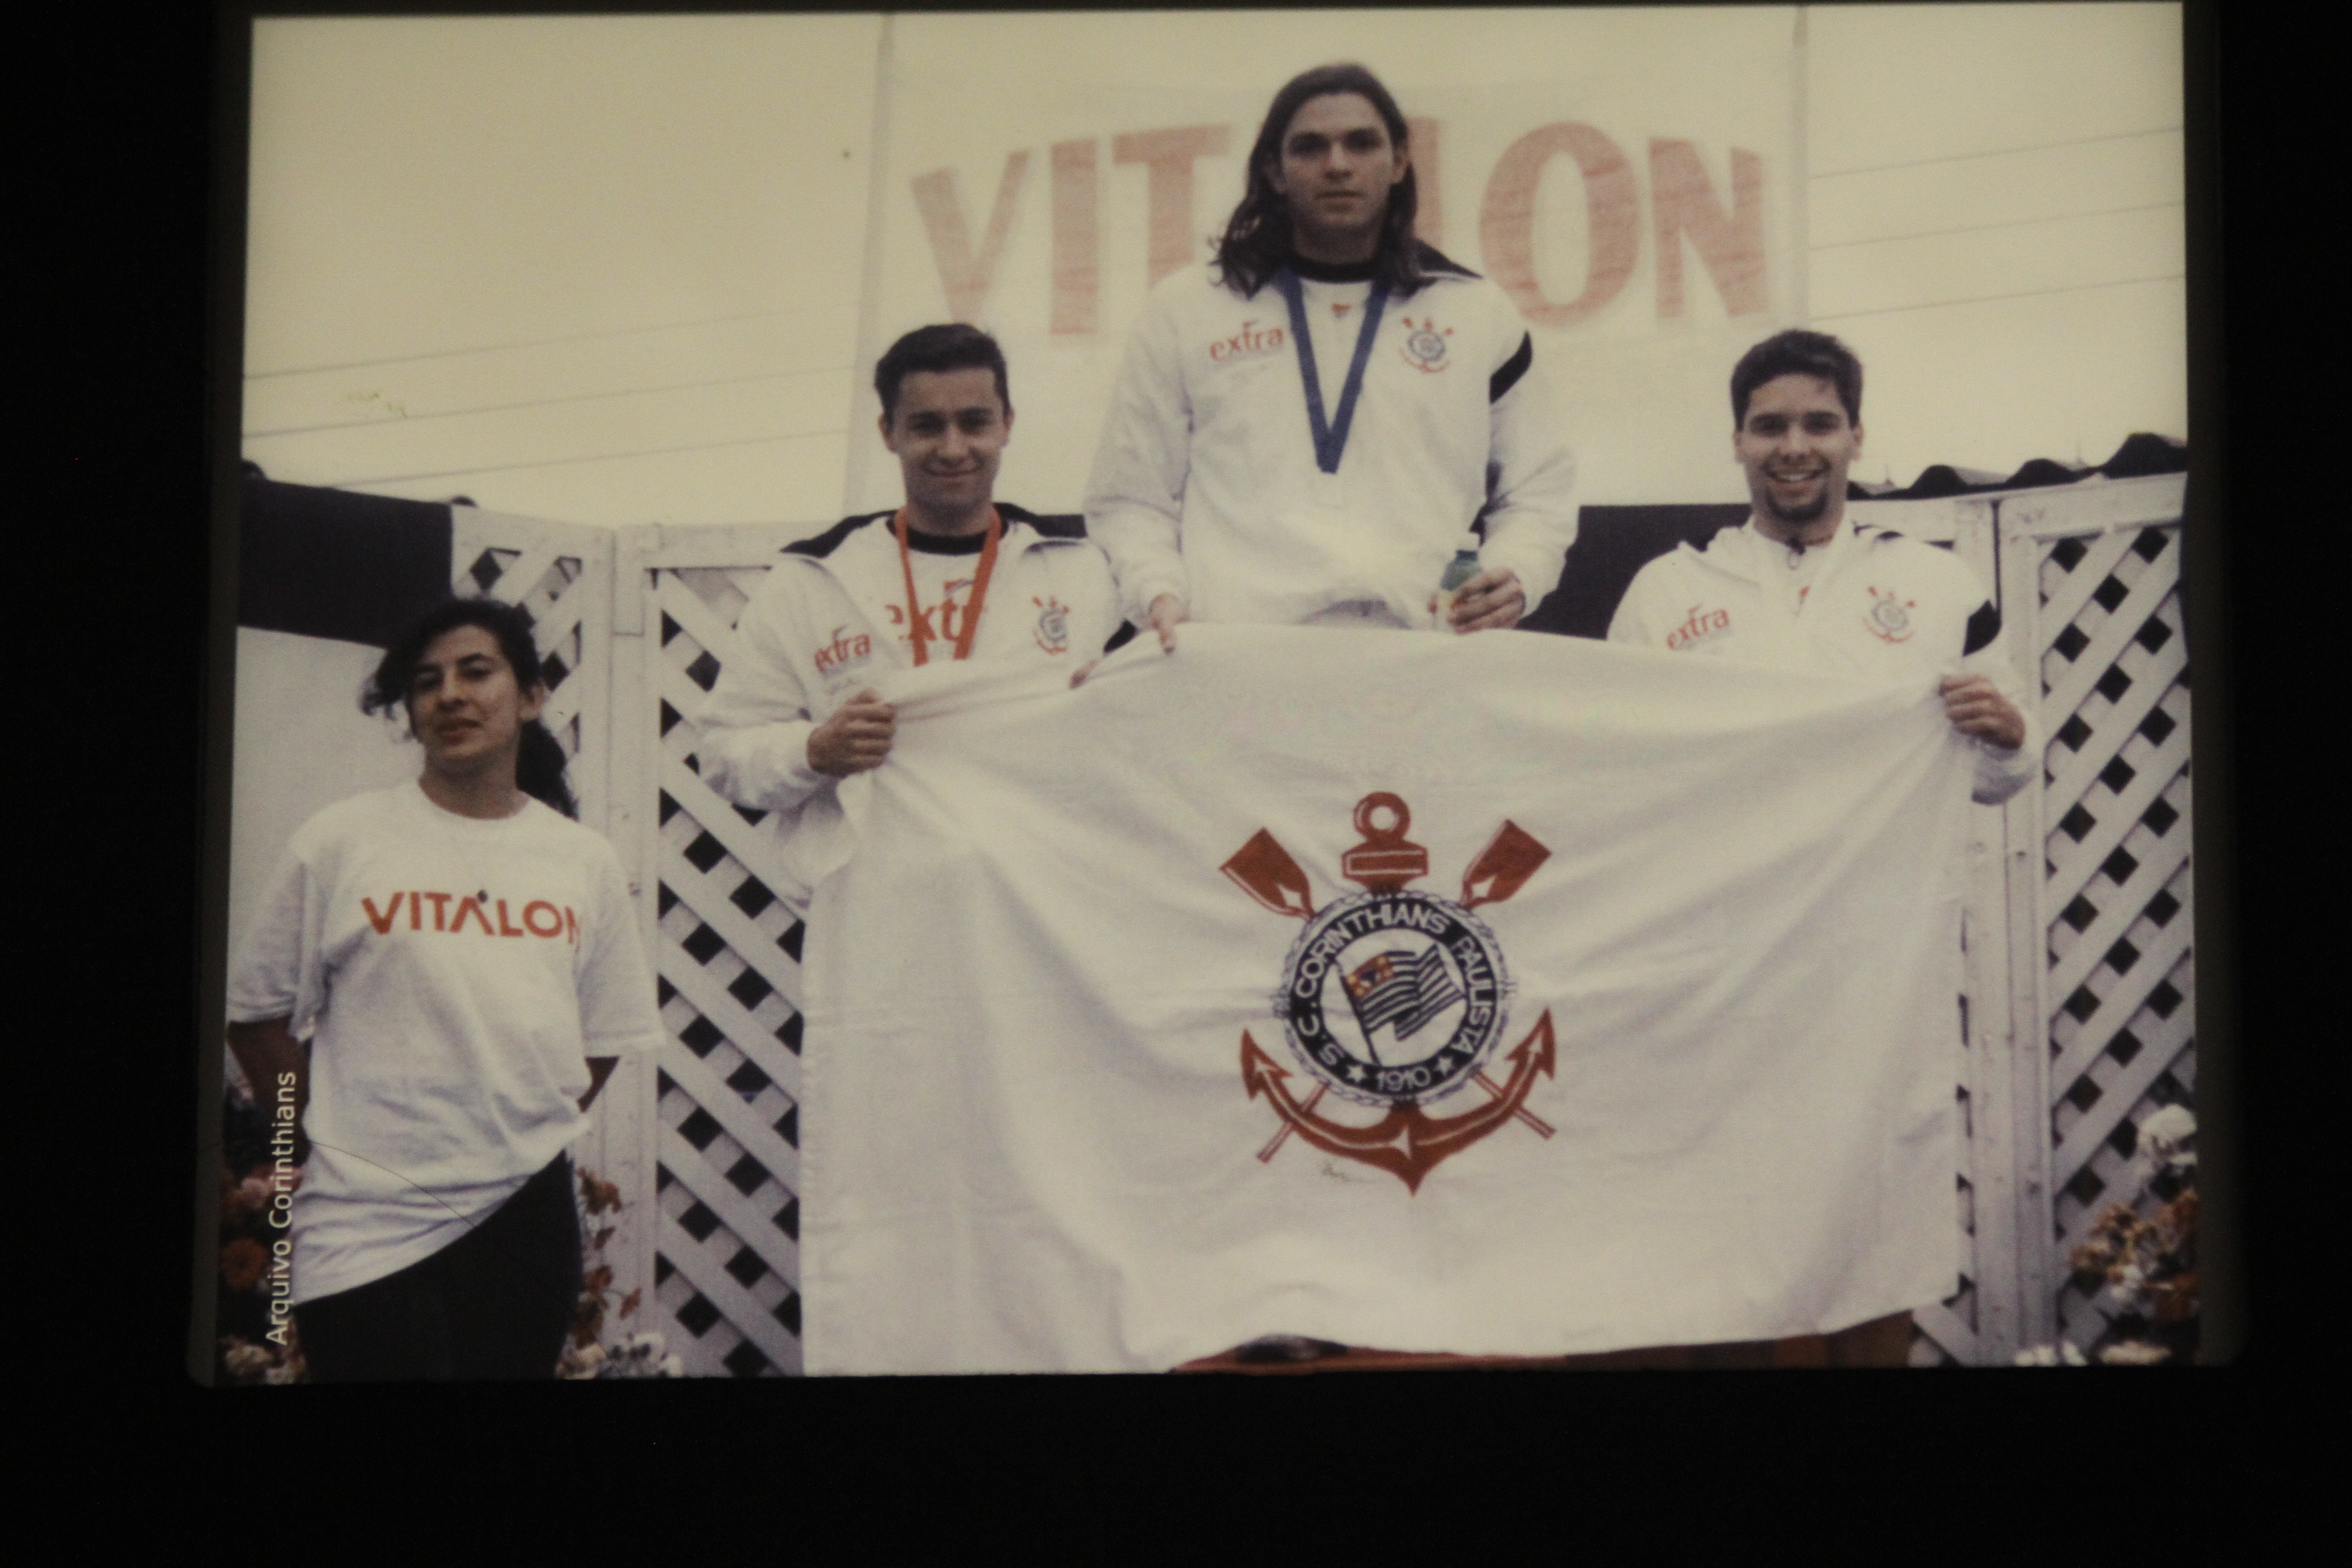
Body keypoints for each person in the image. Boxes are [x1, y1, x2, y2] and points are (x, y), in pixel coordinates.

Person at [1607, 328, 2037, 1366]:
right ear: (1736, 441)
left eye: (1817, 423)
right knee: (1729, 1212)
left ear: (1855, 436)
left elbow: (1998, 775)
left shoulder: (1935, 584)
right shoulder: (1667, 590)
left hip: (1871, 964)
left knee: (1871, 1204)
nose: (1793, 446)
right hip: (1719, 964)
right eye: (1769, 426)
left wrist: (2005, 731)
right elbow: (1619, 773)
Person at [224, 597, 666, 1381]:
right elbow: (256, 1016)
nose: (450, 695)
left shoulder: (581, 860)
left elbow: (604, 1037)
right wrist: (311, 1137)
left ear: (530, 697)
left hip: (521, 1217)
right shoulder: (341, 841)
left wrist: (516, 1120)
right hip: (363, 1219)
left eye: (476, 672)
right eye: (427, 682)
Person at [1084, 62, 1578, 648]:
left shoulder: (1475, 312)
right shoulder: (1188, 308)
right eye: (1310, 147)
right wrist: (1159, 593)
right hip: (1242, 652)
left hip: (1420, 651)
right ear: (1275, 170)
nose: (1338, 164)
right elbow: (1130, 497)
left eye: (1362, 143)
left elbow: (1538, 492)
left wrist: (1516, 572)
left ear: (1399, 161)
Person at [696, 323, 1124, 889]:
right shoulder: (811, 581)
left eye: (974, 422)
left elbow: (1139, 733)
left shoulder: (1081, 571)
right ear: (889, 432)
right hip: (874, 902)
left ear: (1007, 424)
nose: (953, 449)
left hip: (1036, 894)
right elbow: (723, 755)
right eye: (927, 426)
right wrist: (814, 750)